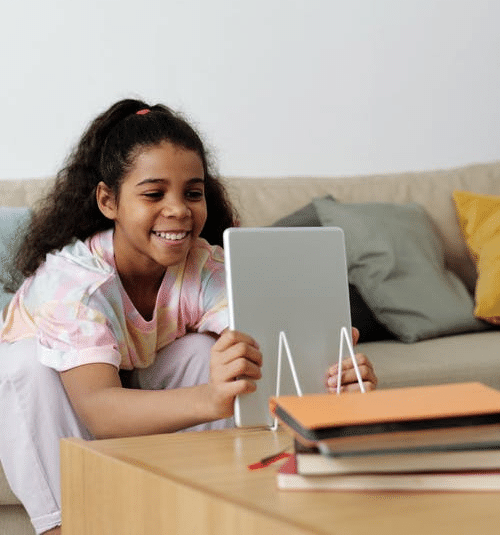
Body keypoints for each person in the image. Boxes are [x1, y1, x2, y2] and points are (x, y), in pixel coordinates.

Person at [0, 98, 377, 535]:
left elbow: (271, 345)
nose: (178, 209)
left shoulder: (201, 267)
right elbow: (98, 410)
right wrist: (210, 399)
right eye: (154, 194)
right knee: (23, 366)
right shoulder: (73, 284)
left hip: (136, 377)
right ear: (109, 201)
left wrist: (336, 380)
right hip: (62, 400)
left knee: (209, 353)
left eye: (192, 193)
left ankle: (214, 511)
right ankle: (68, 527)